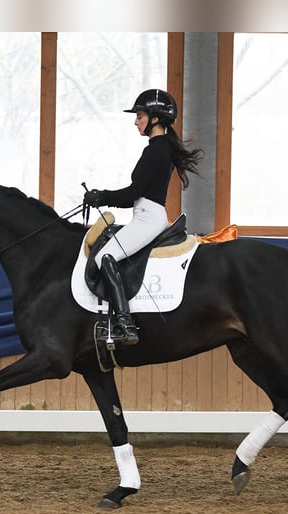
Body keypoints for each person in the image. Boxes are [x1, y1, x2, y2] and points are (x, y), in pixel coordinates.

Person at [83, 88, 203, 345]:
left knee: (106, 256)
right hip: (147, 214)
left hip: (148, 217)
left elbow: (132, 194)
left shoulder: (156, 151)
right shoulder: (160, 148)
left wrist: (100, 196)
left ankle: (125, 323)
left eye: (140, 116)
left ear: (156, 118)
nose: (136, 121)